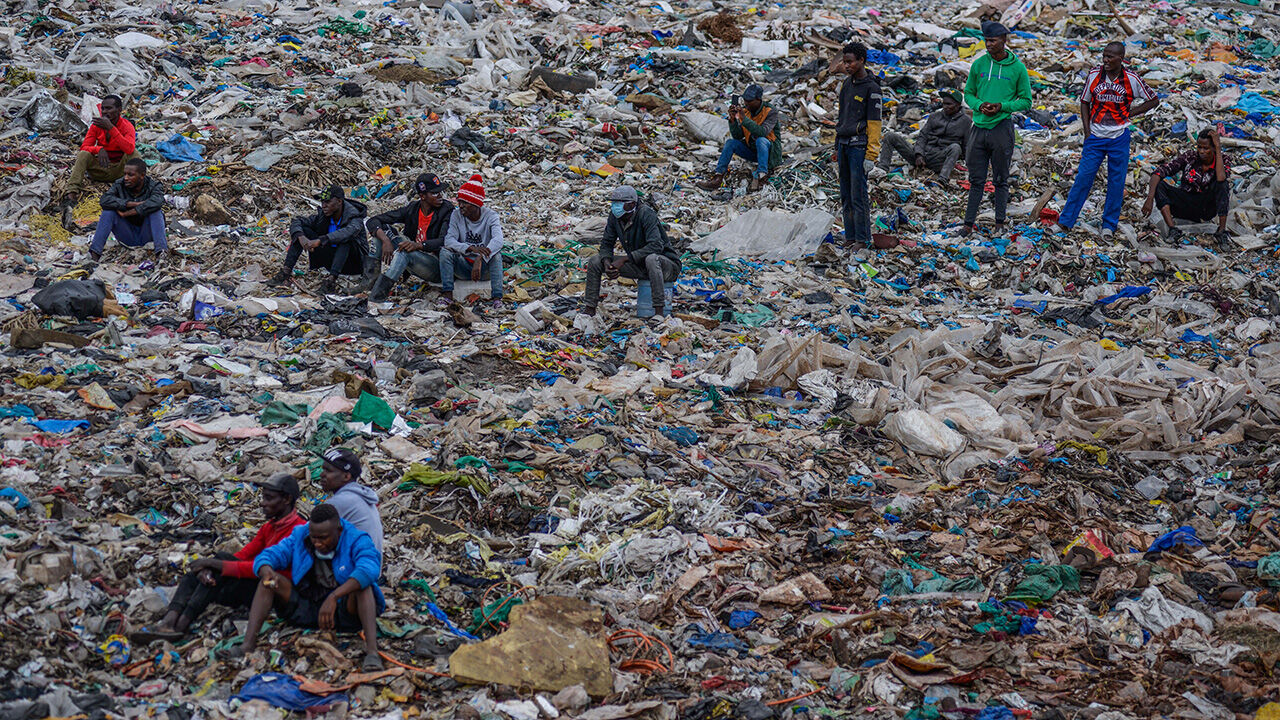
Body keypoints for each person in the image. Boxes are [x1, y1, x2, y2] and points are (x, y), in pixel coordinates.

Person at [132, 474, 306, 643]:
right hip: (253, 581)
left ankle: (182, 625)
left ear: (287, 499)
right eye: (263, 497)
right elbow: (243, 555)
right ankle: (168, 622)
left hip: (271, 592)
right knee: (197, 574)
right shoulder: (270, 527)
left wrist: (215, 564)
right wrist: (210, 567)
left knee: (218, 566)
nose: (263, 503)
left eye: (269, 498)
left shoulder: (298, 530)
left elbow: (263, 570)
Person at [231, 503, 386, 671]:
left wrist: (334, 597)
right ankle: (247, 645)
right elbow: (271, 554)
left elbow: (368, 569)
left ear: (339, 530)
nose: (317, 543)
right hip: (308, 603)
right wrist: (266, 569)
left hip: (343, 611)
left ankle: (372, 653)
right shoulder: (300, 535)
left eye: (323, 538)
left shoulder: (357, 539)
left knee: (364, 587)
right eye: (314, 538)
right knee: (268, 582)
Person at [1057, 42, 1158, 239]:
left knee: (1116, 182)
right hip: (1095, 136)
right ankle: (1066, 222)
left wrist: (1131, 113)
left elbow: (1154, 99)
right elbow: (1085, 102)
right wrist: (1087, 132)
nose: (1106, 60)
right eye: (1104, 56)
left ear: (1121, 59)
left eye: (1110, 57)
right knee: (1083, 179)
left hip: (1119, 137)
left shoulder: (1132, 79)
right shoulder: (1095, 75)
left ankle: (1108, 226)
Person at [961, 21, 1032, 237]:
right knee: (976, 180)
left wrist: (1002, 106)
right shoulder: (979, 64)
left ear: (1004, 40)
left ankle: (1000, 223)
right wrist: (979, 105)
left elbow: (1026, 101)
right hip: (978, 128)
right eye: (986, 40)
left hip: (1002, 128)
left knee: (1001, 178)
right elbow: (969, 93)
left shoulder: (1018, 68)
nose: (988, 44)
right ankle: (967, 225)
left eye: (992, 40)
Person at [581, 186, 682, 319]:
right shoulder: (615, 217)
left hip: (665, 267)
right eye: (614, 203)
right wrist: (607, 263)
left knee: (651, 259)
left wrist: (624, 259)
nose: (615, 207)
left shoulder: (646, 214)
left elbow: (656, 246)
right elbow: (607, 243)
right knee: (595, 260)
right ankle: (589, 309)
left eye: (620, 203)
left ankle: (659, 312)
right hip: (639, 265)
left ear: (632, 204)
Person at [366, 173, 455, 302]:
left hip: (435, 265)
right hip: (415, 256)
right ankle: (369, 285)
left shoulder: (446, 210)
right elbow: (373, 220)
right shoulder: (413, 209)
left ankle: (377, 297)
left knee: (404, 253)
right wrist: (385, 240)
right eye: (435, 193)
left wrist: (419, 245)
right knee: (378, 238)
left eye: (440, 192)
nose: (440, 196)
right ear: (423, 196)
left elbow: (444, 240)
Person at [271, 185, 369, 293]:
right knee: (303, 230)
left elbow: (347, 232)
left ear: (340, 201)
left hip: (353, 264)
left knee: (345, 240)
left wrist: (321, 240)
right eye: (322, 202)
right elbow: (297, 221)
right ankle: (285, 272)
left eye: (328, 202)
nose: (324, 206)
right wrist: (301, 236)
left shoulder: (355, 217)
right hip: (331, 260)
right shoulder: (324, 216)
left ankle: (331, 282)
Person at [832, 42, 882, 248]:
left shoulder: (872, 88)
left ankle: (863, 238)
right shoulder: (846, 84)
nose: (847, 66)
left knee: (858, 194)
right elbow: (841, 116)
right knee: (845, 194)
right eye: (844, 62)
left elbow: (875, 124)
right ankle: (850, 236)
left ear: (861, 60)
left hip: (858, 147)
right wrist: (836, 145)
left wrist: (871, 155)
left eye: (850, 62)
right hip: (844, 144)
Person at [1141, 128, 1231, 243]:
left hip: (1207, 208)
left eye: (1206, 148)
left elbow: (1221, 178)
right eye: (1199, 147)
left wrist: (1218, 148)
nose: (1202, 151)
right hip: (1186, 202)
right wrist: (1149, 198)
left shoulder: (1223, 159)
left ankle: (1221, 231)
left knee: (1222, 185)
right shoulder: (1190, 157)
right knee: (1160, 185)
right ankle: (1173, 229)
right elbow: (1159, 172)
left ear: (1213, 148)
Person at [697, 85, 784, 193]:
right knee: (730, 143)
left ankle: (762, 176)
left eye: (749, 101)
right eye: (745, 100)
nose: (746, 103)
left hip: (769, 155)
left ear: (758, 100)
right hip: (752, 152)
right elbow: (738, 136)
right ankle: (718, 177)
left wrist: (744, 119)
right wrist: (733, 120)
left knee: (761, 140)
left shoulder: (770, 111)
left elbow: (762, 132)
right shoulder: (746, 111)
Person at [877, 90, 971, 185]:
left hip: (939, 160)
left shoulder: (965, 121)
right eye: (944, 104)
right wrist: (919, 154)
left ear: (958, 105)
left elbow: (966, 146)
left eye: (949, 104)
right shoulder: (935, 116)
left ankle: (942, 179)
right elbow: (922, 136)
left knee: (955, 147)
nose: (945, 107)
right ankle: (882, 170)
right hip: (922, 157)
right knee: (890, 136)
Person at [440, 174, 505, 309]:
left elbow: (498, 240)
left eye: (465, 203)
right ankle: (447, 296)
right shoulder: (457, 215)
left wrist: (480, 257)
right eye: (459, 202)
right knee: (444, 252)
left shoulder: (491, 216)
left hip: (484, 268)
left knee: (497, 256)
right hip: (464, 265)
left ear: (475, 204)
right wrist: (470, 249)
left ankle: (497, 298)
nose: (461, 206)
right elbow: (449, 240)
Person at [91, 158, 167, 261]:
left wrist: (127, 213)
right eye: (125, 174)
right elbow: (104, 200)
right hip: (127, 234)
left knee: (156, 212)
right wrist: (130, 204)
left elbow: (157, 201)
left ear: (142, 175)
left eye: (130, 175)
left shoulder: (154, 186)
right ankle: (94, 254)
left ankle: (161, 253)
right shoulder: (120, 184)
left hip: (146, 234)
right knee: (108, 213)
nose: (126, 178)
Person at [66, 95, 138, 203]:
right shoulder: (96, 126)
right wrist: (98, 149)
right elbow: (84, 148)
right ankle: (71, 193)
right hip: (101, 169)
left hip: (121, 172)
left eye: (109, 108)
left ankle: (136, 191)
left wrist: (111, 128)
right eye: (103, 108)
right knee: (84, 154)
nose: (104, 112)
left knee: (135, 154)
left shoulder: (127, 126)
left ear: (119, 110)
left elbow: (129, 149)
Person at [319, 447, 383, 555]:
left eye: (328, 471)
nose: (322, 475)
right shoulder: (359, 496)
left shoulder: (341, 502)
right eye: (323, 469)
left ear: (346, 476)